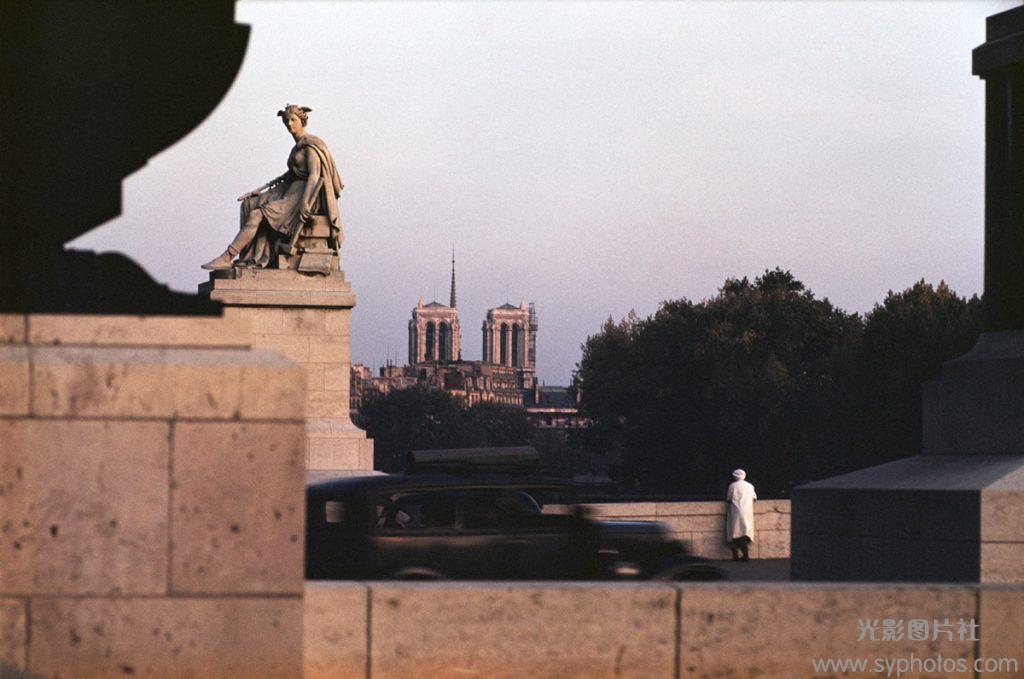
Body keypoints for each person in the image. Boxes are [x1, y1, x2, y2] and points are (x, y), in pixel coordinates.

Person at [202, 104, 344, 270]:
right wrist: (260, 189)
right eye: (286, 121)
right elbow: (289, 175)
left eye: (293, 120)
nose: (289, 124)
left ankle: (227, 256)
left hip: (303, 196)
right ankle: (252, 256)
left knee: (257, 214)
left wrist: (305, 203)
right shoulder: (296, 147)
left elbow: (314, 175)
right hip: (289, 190)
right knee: (249, 204)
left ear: (302, 121)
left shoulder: (311, 146)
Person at [726, 469, 756, 561]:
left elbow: (729, 499)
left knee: (734, 533)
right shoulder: (750, 486)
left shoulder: (732, 486)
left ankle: (735, 555)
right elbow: (754, 498)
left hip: (735, 512)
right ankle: (745, 555)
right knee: (745, 532)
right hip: (747, 512)